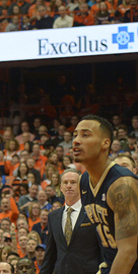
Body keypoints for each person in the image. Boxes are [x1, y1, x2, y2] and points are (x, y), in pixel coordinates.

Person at [74, 115, 138, 274]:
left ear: (105, 143)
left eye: (85, 135)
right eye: (75, 134)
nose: (76, 140)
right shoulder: (84, 181)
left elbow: (129, 253)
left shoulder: (122, 184)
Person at [41, 168, 101, 274]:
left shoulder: (93, 212)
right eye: (65, 182)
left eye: (73, 182)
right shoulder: (53, 216)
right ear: (61, 187)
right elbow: (50, 254)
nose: (69, 185)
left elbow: (102, 248)